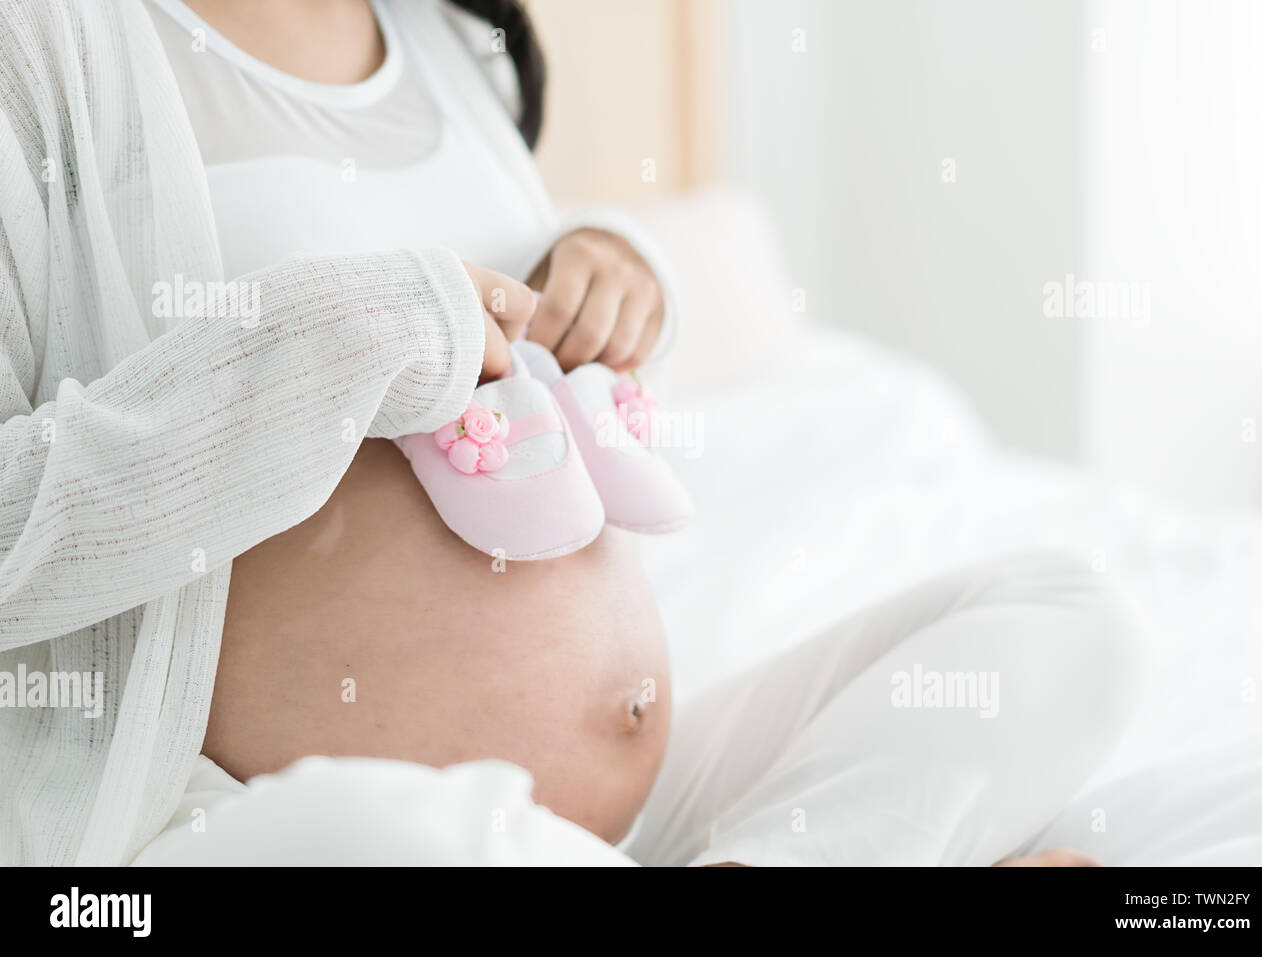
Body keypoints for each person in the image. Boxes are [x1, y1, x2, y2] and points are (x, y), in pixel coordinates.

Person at [0, 0, 1143, 866]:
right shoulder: (45, 47)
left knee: (1071, 620)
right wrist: (334, 346)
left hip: (632, 804)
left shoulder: (457, 43)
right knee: (384, 837)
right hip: (255, 809)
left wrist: (604, 268)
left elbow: (514, 327)